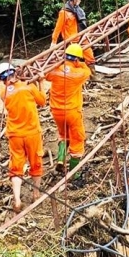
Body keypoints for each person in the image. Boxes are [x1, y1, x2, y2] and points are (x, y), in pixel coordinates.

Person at [0, 62, 46, 213]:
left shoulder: (3, 93)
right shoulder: (29, 87)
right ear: (14, 73)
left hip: (15, 134)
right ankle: (36, 194)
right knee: (35, 162)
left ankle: (17, 201)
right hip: (32, 132)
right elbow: (43, 102)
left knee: (16, 167)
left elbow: (15, 90)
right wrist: (41, 82)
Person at [44, 44, 92, 177]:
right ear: (76, 60)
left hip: (56, 111)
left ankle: (60, 159)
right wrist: (80, 63)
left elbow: (46, 75)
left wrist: (61, 63)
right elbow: (87, 70)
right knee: (77, 139)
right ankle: (74, 174)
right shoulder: (78, 74)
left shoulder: (55, 71)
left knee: (63, 134)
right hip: (72, 111)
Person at [52, 0, 95, 66]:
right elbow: (58, 28)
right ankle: (75, 75)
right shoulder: (64, 12)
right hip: (72, 40)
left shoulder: (78, 10)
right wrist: (54, 42)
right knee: (73, 60)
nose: (80, 0)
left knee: (90, 58)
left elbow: (82, 24)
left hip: (82, 37)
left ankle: (91, 76)